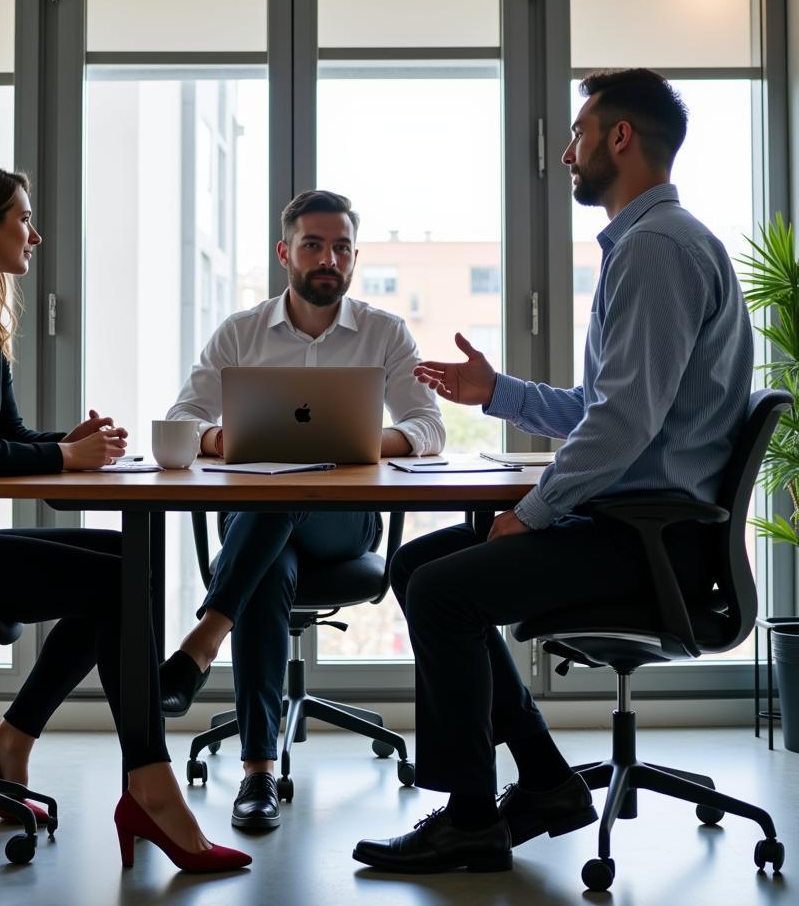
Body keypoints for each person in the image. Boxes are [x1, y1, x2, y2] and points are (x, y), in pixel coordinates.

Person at [353, 68, 753, 874]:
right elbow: (604, 407)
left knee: (442, 590)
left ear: (620, 137)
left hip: (651, 541)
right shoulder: (649, 246)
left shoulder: (656, 249)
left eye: (578, 134)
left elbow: (623, 421)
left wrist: (534, 509)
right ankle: (542, 781)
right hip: (640, 525)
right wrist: (495, 392)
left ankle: (472, 819)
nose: (567, 153)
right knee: (419, 564)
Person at [0, 165, 250, 874]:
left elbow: (13, 437)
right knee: (115, 583)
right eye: (24, 218)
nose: (36, 233)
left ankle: (13, 743)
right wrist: (63, 454)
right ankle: (149, 789)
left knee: (129, 568)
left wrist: (76, 448)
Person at [162, 189, 445, 830]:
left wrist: (349, 443)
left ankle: (203, 641)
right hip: (262, 531)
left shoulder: (383, 332)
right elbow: (184, 419)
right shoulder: (240, 333)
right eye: (314, 245)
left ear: (353, 258)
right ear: (285, 252)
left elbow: (429, 429)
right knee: (266, 564)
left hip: (341, 526)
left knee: (273, 505)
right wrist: (218, 440)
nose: (329, 258)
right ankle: (260, 774)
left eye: (341, 246)